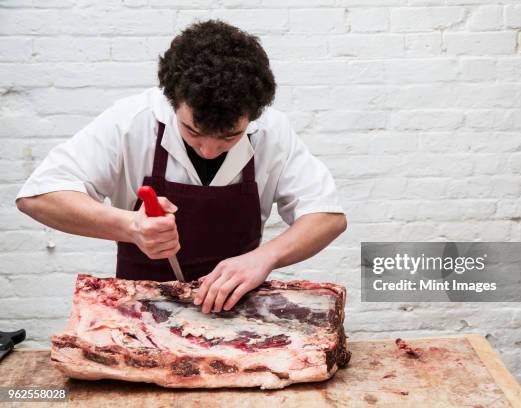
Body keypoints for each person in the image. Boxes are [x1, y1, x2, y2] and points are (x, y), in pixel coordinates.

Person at [15, 20, 347, 314]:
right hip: (139, 315)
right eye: (194, 132)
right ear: (172, 100)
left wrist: (266, 257)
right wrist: (130, 225)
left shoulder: (272, 133)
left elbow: (328, 217)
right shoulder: (132, 122)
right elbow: (39, 195)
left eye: (231, 136)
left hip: (236, 313)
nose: (208, 149)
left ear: (253, 114)